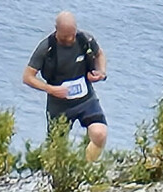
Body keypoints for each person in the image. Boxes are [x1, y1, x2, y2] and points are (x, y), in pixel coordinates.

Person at [24, 11, 109, 162]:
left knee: (100, 133)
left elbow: (100, 54)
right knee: (56, 151)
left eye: (72, 35)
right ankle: (56, 178)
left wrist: (100, 72)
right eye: (65, 37)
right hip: (59, 105)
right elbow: (28, 77)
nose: (70, 39)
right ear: (56, 30)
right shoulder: (46, 48)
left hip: (85, 99)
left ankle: (86, 167)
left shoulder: (85, 40)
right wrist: (51, 89)